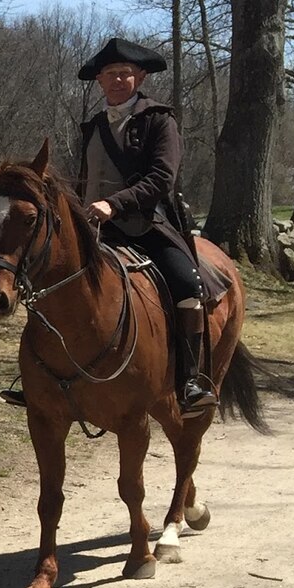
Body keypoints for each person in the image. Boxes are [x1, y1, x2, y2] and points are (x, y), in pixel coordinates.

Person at [75, 36, 216, 414]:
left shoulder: (159, 120)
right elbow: (83, 181)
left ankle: (189, 381)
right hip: (96, 227)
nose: (118, 80)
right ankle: (42, 379)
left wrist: (114, 204)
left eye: (125, 74)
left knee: (188, 285)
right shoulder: (91, 128)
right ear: (99, 81)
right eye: (110, 74)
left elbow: (161, 179)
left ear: (139, 77)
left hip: (148, 224)